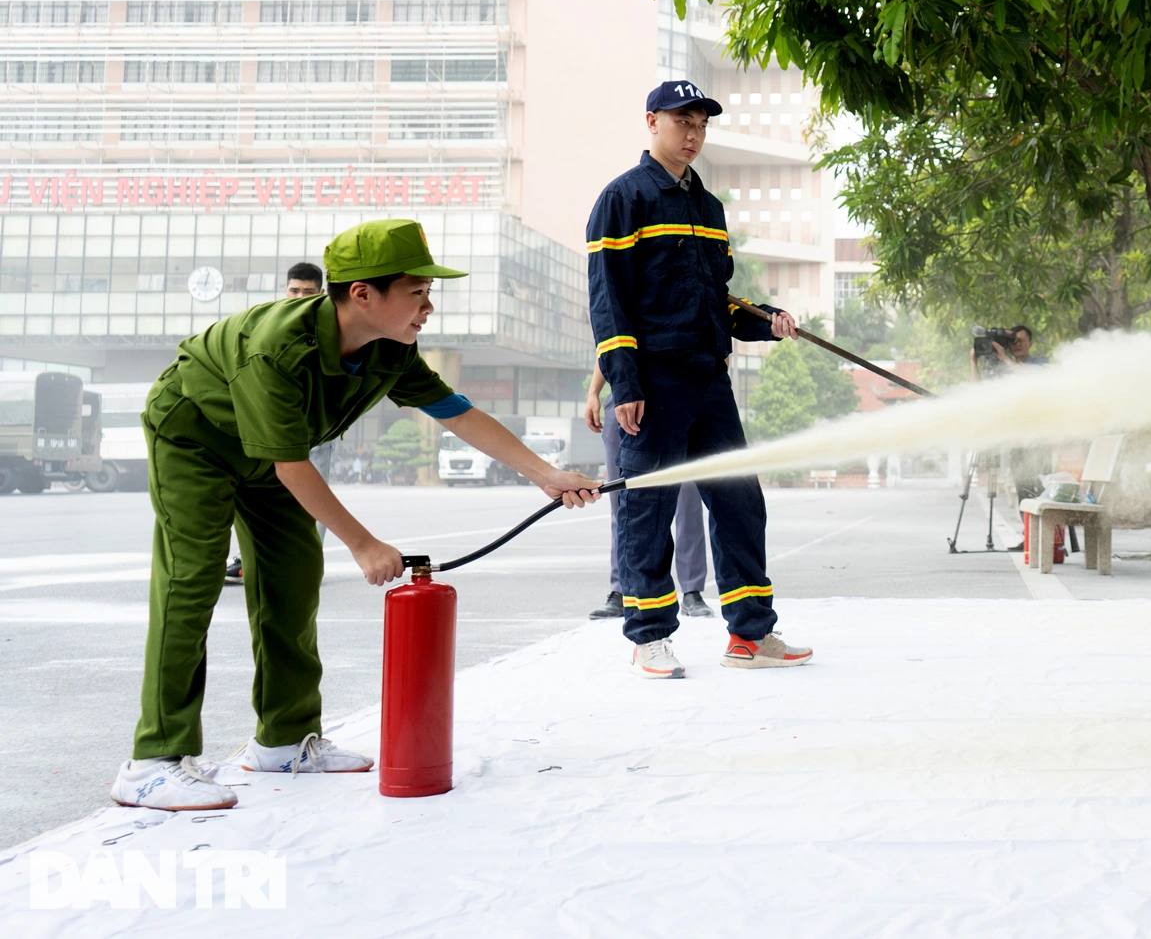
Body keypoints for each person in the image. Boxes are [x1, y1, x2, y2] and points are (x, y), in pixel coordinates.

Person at [110, 219, 601, 811]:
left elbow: (458, 413)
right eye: (417, 292)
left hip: (271, 454)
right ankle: (153, 762)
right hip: (196, 439)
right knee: (191, 580)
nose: (429, 306)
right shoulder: (277, 347)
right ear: (363, 294)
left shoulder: (391, 351)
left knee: (291, 579)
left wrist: (546, 475)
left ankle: (283, 739)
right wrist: (364, 544)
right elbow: (292, 465)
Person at [588, 80, 812, 679]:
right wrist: (625, 384)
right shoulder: (623, 199)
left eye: (701, 125)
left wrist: (769, 323)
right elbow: (609, 302)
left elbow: (718, 301)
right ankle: (650, 637)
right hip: (654, 385)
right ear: (651, 122)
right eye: (681, 121)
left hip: (711, 384)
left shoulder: (708, 210)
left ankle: (750, 635)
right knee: (648, 511)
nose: (693, 134)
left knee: (740, 502)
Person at [584, 352, 714, 621]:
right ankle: (621, 591)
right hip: (623, 404)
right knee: (622, 505)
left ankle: (691, 591)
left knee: (687, 501)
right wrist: (593, 393)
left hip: (677, 402)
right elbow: (608, 348)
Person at [226, 261, 330, 589]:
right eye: (294, 290)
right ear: (285, 289)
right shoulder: (269, 320)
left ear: (321, 292)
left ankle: (306, 560)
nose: (300, 296)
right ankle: (251, 557)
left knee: (312, 490)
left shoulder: (327, 326)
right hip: (273, 421)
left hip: (317, 424)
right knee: (261, 491)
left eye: (308, 292)